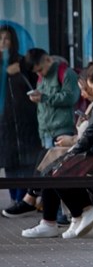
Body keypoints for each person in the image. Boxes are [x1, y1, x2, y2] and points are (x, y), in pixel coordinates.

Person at [21, 61, 93, 239]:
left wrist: (71, 154)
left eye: (91, 88)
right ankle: (75, 216)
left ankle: (83, 211)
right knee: (55, 169)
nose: (91, 94)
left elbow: (89, 138)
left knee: (57, 173)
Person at [2, 48, 81, 219]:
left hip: (62, 129)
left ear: (47, 59)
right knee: (49, 172)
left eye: (40, 69)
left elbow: (71, 97)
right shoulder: (42, 77)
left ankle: (57, 211)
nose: (40, 73)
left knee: (57, 172)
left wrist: (44, 98)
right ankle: (49, 211)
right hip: (46, 130)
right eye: (36, 72)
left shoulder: (65, 73)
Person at [0, 25, 41, 206]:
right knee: (10, 162)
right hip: (4, 122)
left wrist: (21, 70)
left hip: (26, 119)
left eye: (6, 39)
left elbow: (36, 83)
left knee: (28, 161)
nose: (3, 42)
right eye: (0, 39)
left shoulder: (23, 61)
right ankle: (15, 199)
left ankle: (27, 200)